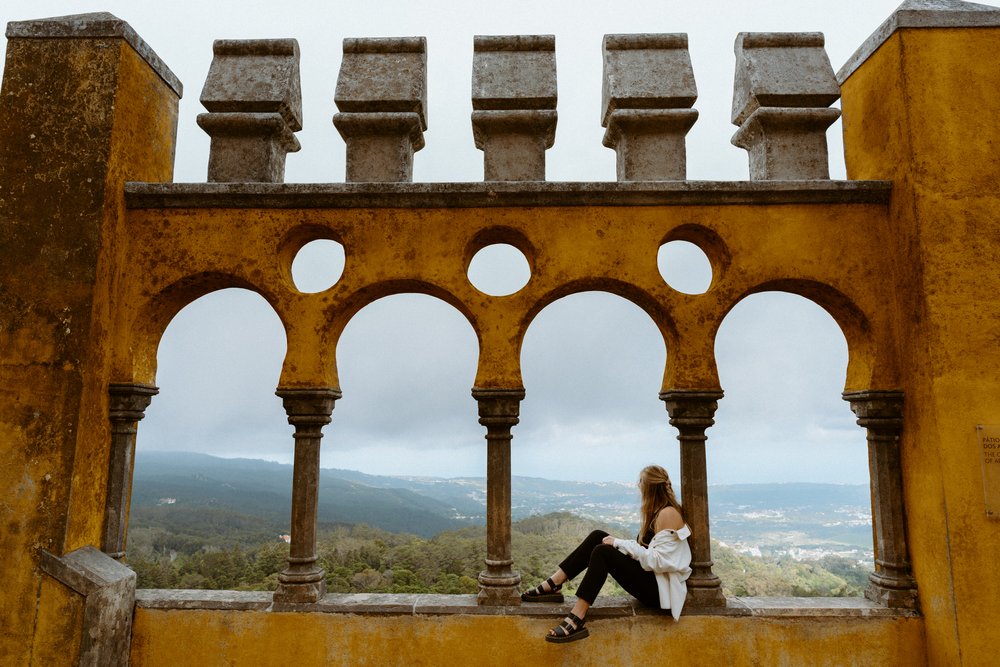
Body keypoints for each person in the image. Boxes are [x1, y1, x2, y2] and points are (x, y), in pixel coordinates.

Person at [521, 464, 692, 643]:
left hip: (659, 592)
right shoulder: (657, 512)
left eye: (640, 481)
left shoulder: (668, 514)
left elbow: (658, 561)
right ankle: (555, 582)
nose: (638, 485)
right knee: (598, 537)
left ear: (649, 487)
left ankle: (577, 617)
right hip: (652, 580)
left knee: (603, 552)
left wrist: (619, 543)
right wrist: (619, 544)